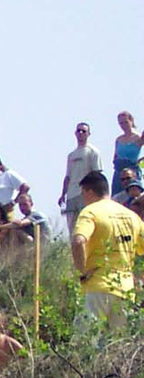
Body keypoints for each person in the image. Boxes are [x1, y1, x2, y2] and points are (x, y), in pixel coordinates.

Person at [70, 171, 144, 339]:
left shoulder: (90, 212)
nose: (83, 198)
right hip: (125, 290)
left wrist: (82, 271)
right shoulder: (131, 216)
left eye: (83, 194)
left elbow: (78, 241)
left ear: (89, 192)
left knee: (85, 343)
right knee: (120, 347)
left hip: (97, 286)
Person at [61, 122, 104, 234]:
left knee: (85, 223)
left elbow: (97, 174)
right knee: (72, 226)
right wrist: (63, 194)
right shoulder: (71, 155)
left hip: (86, 193)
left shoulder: (93, 152)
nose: (80, 133)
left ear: (88, 134)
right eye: (78, 131)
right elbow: (68, 176)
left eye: (83, 131)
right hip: (71, 194)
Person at [114, 111, 142, 198]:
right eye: (121, 123)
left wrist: (141, 161)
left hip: (132, 171)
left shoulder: (138, 137)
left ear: (131, 121)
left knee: (133, 197)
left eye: (125, 122)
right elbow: (115, 156)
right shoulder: (118, 139)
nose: (123, 125)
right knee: (117, 198)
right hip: (119, 172)